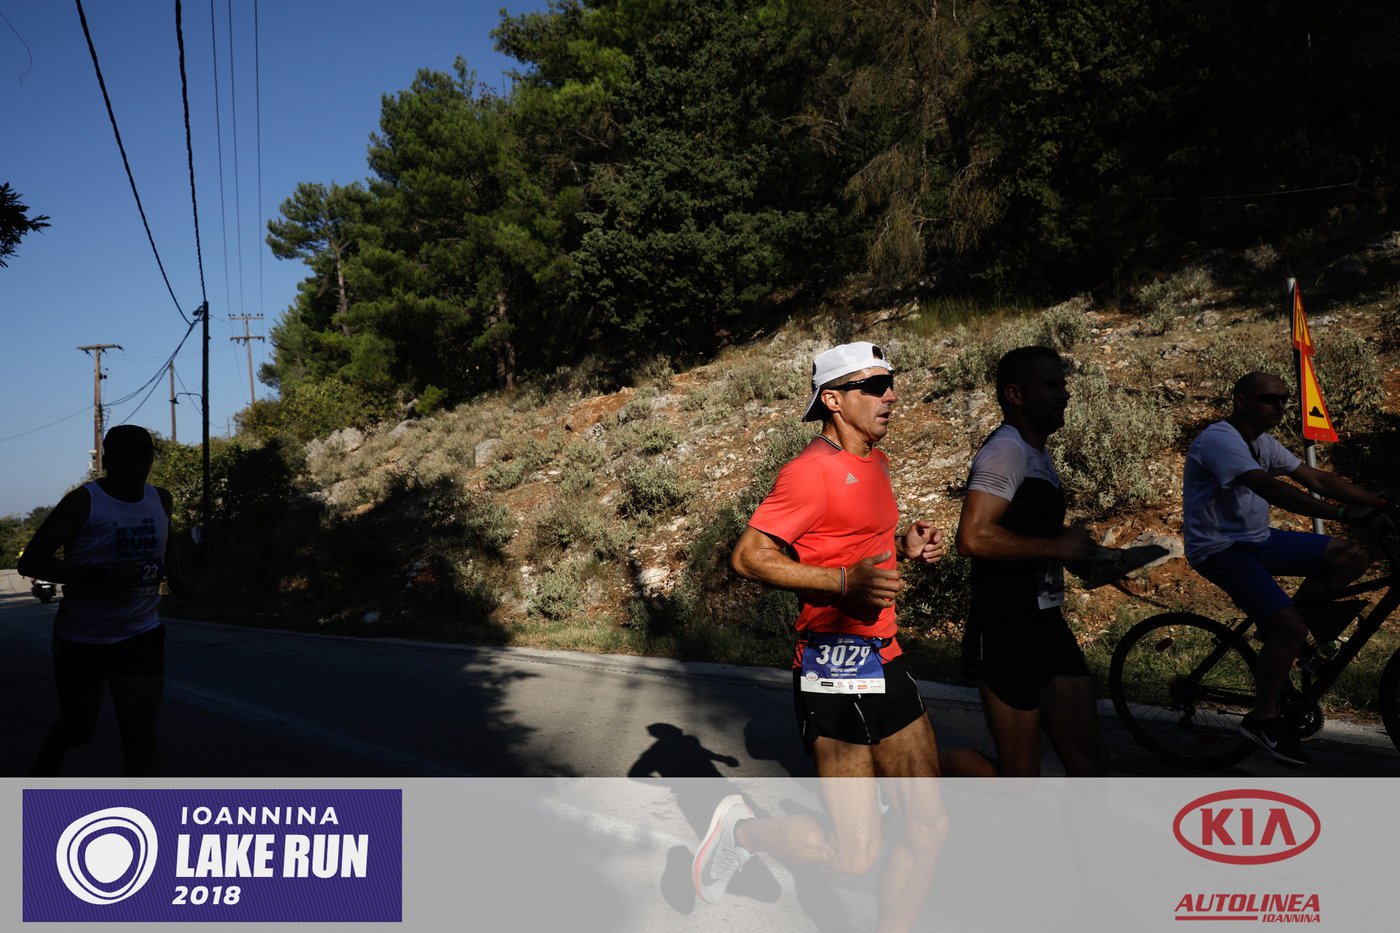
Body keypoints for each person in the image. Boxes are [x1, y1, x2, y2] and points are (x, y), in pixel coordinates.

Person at [693, 341, 949, 933]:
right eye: (874, 386)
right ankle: (742, 832)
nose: (891, 395)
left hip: (886, 657)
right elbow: (748, 556)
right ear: (833, 399)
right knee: (853, 856)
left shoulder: (876, 462)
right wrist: (840, 581)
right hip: (832, 667)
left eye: (891, 382)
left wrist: (904, 548)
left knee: (928, 827)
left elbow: (853, 546)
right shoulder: (809, 472)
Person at [1183, 371, 1387, 766]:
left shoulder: (1262, 441)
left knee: (1351, 555)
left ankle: (1286, 635)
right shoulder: (1219, 439)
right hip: (1220, 550)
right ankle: (1262, 718)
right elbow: (1270, 488)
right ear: (1240, 401)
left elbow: (1315, 477)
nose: (1279, 406)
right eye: (1269, 399)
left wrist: (1377, 502)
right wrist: (1342, 514)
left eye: (1283, 399)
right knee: (1289, 627)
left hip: (1259, 540)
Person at [954, 345, 1107, 777]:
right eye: (1052, 385)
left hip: (1046, 624)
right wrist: (1057, 548)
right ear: (1016, 394)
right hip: (1004, 629)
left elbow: (1028, 533)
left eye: (1064, 384)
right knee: (1019, 781)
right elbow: (972, 537)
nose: (1065, 393)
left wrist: (1086, 557)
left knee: (1090, 767)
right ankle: (923, 771)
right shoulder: (1006, 450)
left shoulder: (1036, 452)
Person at [17, 425, 182, 776]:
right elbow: (30, 562)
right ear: (107, 461)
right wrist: (98, 577)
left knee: (140, 734)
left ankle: (145, 808)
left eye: (144, 458)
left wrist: (177, 576)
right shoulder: (83, 502)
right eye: (126, 459)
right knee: (79, 729)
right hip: (82, 639)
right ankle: (42, 771)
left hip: (141, 635)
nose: (137, 467)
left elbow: (167, 540)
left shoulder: (161, 499)